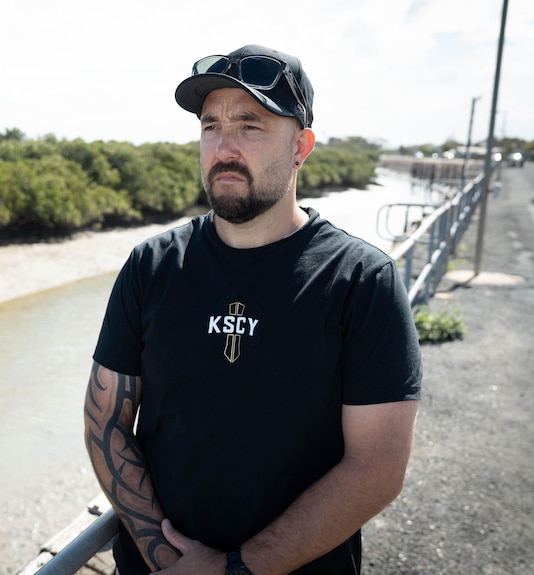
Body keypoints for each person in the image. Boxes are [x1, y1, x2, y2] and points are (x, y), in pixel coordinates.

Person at [83, 44, 422, 575]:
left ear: (300, 147)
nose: (224, 147)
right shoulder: (152, 265)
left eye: (250, 126)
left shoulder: (361, 280)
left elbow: (376, 466)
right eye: (210, 126)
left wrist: (236, 569)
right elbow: (106, 420)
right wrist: (166, 559)